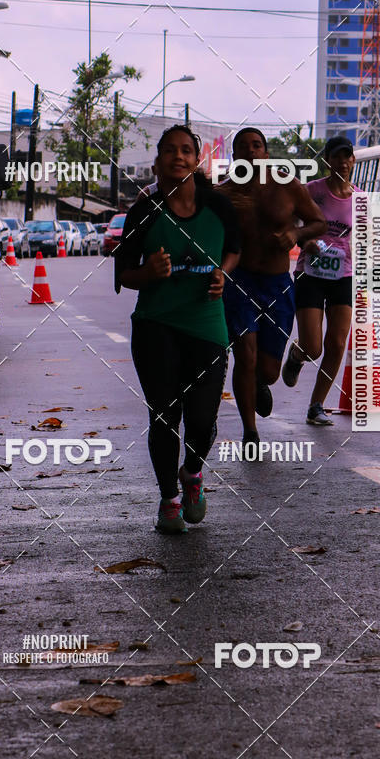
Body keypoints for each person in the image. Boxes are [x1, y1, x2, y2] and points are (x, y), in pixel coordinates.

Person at [115, 125, 240, 534]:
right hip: (156, 326)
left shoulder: (218, 207)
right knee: (165, 416)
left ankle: (192, 473)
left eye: (187, 150)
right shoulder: (143, 211)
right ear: (158, 161)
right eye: (170, 150)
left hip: (207, 326)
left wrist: (223, 272)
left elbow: (235, 248)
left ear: (197, 158)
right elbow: (122, 274)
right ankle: (169, 499)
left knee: (202, 421)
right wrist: (148, 273)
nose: (179, 157)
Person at [217, 128, 326, 451]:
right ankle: (250, 432)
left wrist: (296, 235)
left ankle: (260, 383)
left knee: (267, 370)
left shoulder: (288, 185)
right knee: (245, 357)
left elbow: (318, 223)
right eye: (243, 147)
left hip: (278, 285)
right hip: (240, 283)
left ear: (266, 152)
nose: (251, 152)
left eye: (257, 145)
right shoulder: (225, 192)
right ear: (235, 156)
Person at [282, 135, 358, 425]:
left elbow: (367, 237)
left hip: (344, 274)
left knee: (337, 343)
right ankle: (297, 355)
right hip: (310, 273)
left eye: (347, 156)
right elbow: (288, 221)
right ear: (327, 161)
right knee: (314, 347)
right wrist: (305, 240)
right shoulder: (311, 191)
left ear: (353, 160)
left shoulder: (360, 198)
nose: (342, 161)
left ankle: (317, 405)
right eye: (336, 156)